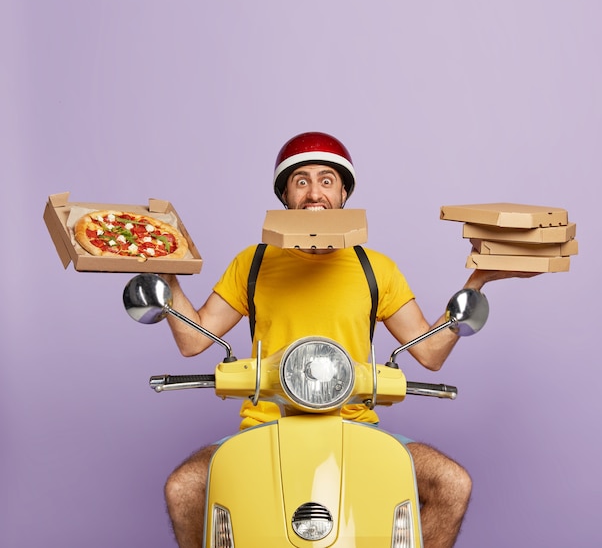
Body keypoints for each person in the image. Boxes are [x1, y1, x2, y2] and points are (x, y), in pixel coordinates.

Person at [160, 132, 536, 548]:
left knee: (452, 483)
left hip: (357, 426)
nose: (314, 192)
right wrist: (166, 268)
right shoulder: (253, 262)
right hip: (263, 424)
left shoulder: (375, 268)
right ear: (285, 194)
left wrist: (478, 281)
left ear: (343, 192)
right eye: (300, 181)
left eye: (326, 180)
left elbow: (428, 352)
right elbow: (195, 341)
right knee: (183, 487)